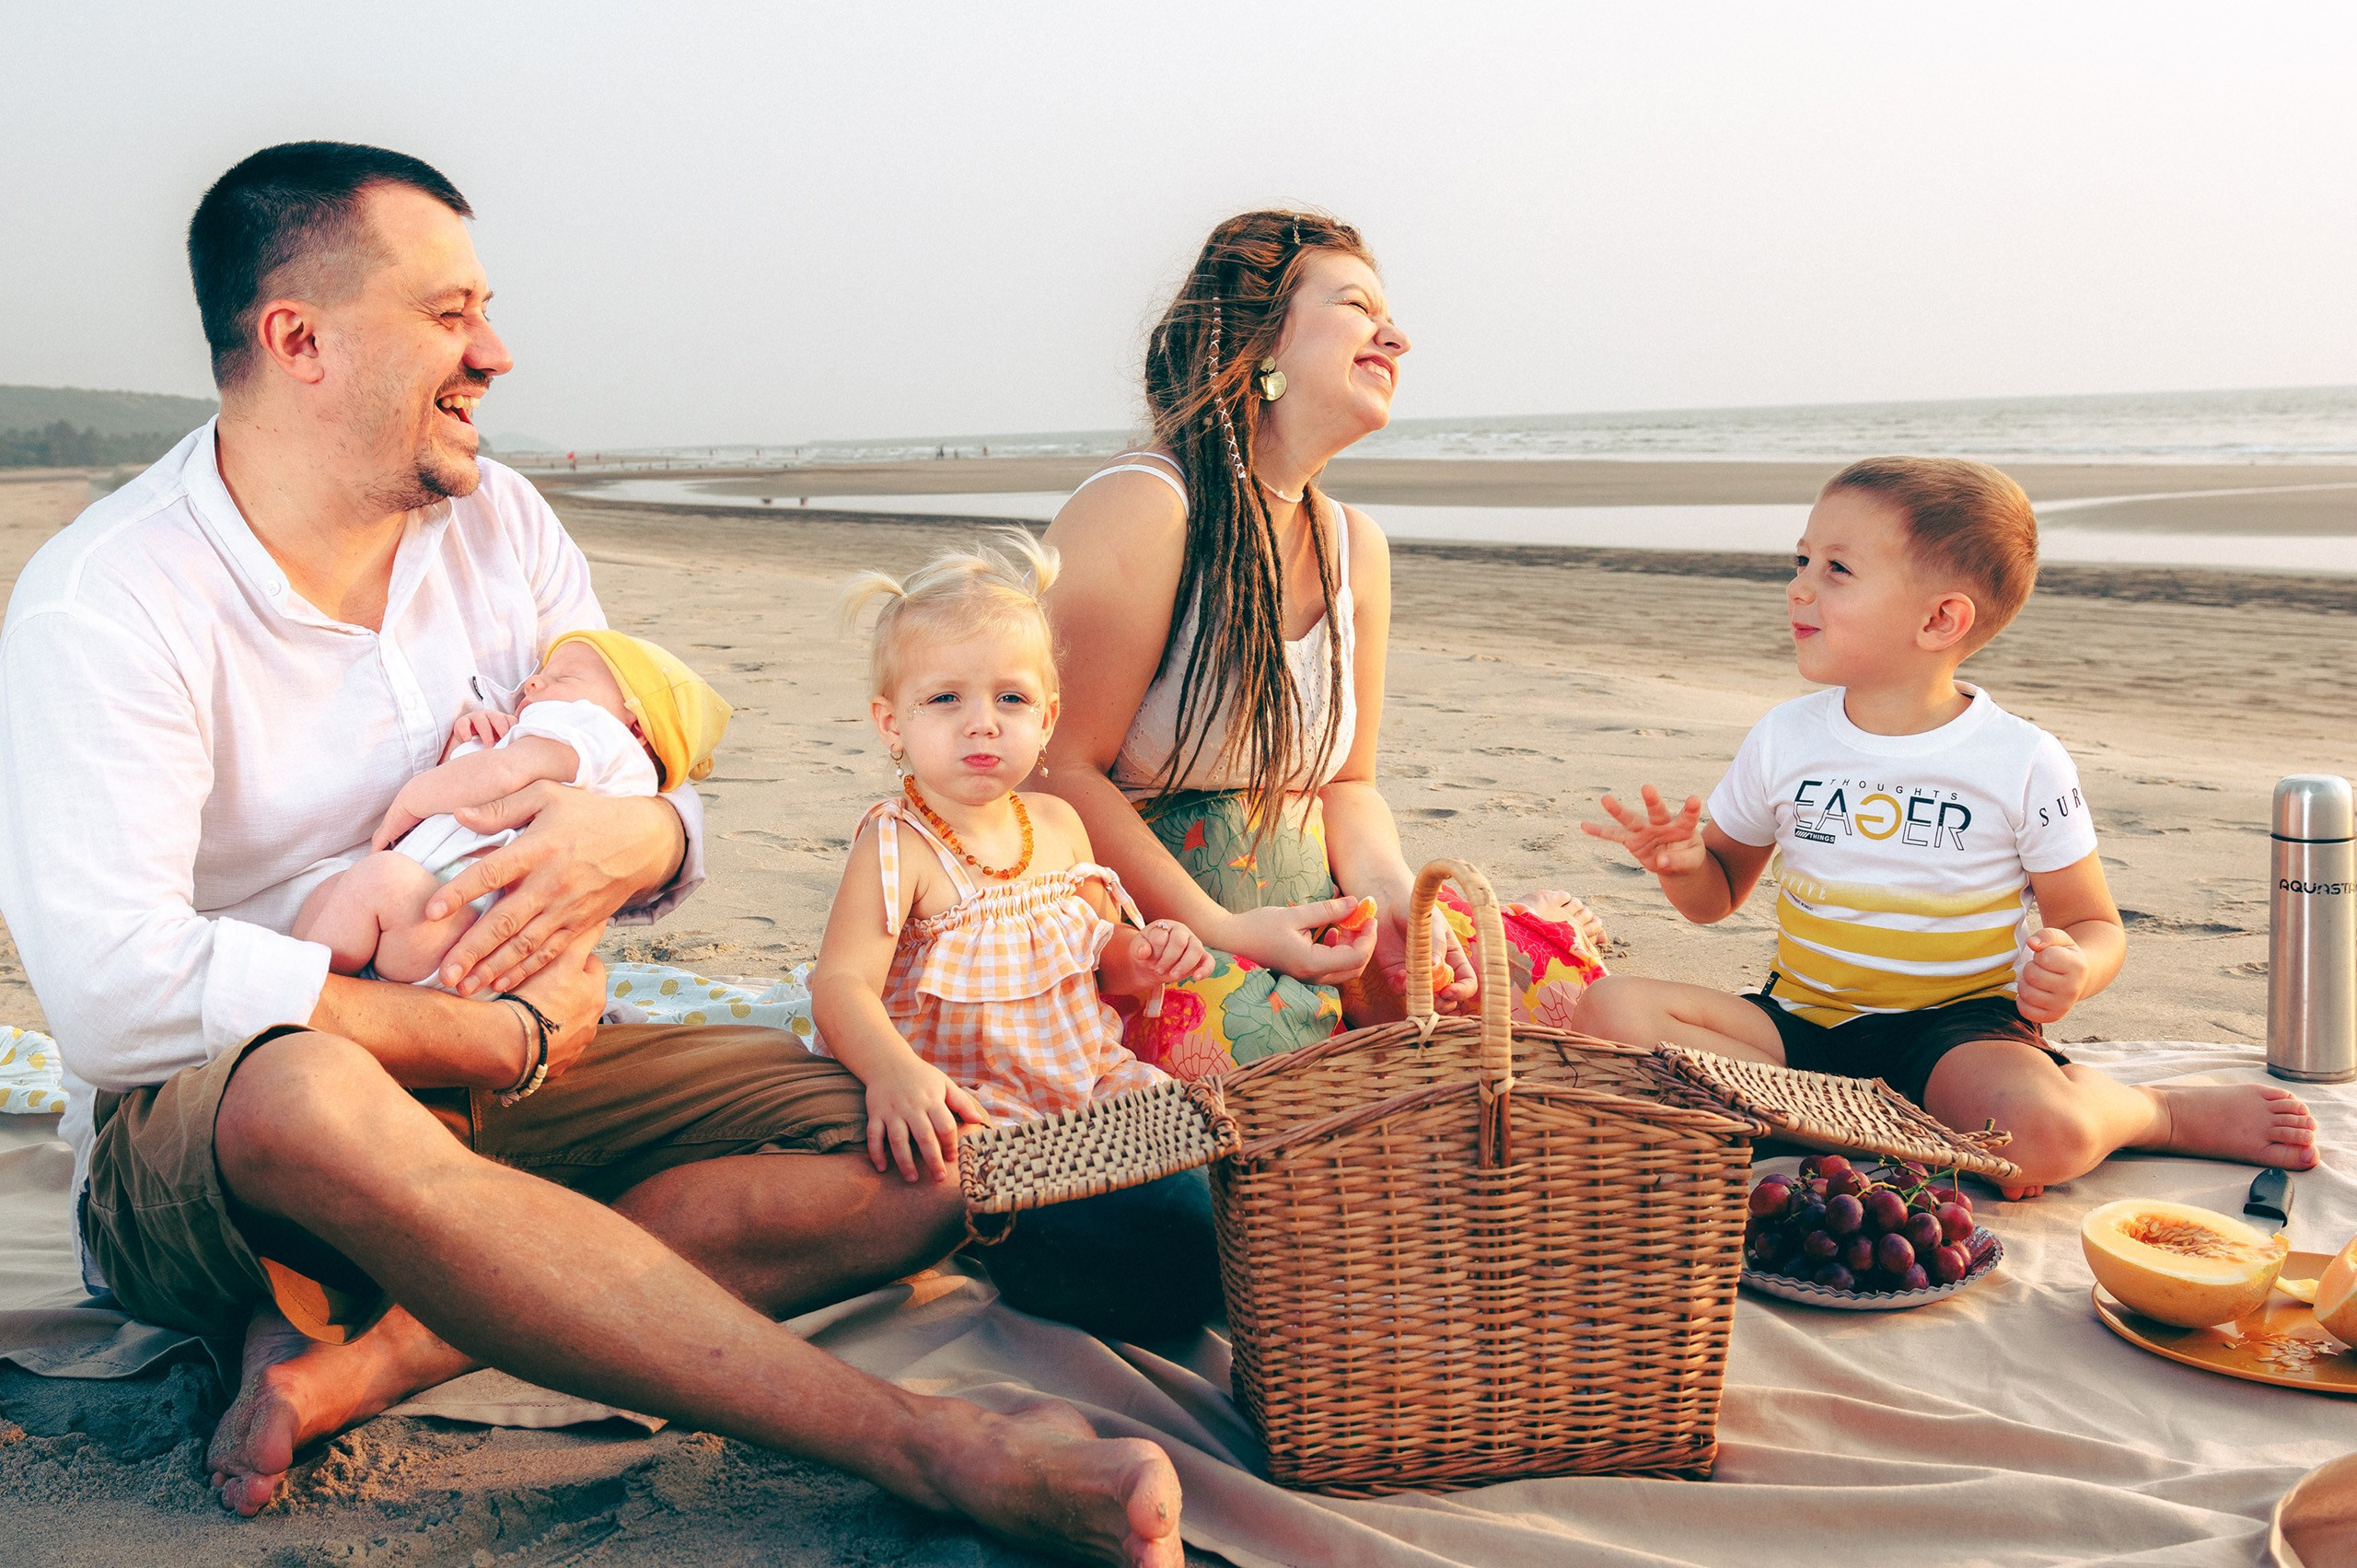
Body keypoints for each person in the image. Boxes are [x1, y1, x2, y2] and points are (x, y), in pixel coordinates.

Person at [0, 142, 1180, 1563]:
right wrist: (488, 1037)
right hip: (225, 1139)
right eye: (449, 313)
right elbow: (111, 990)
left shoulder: (500, 522)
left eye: (486, 309)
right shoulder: (110, 598)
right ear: (298, 339)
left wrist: (645, 832)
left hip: (539, 1053)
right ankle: (928, 1443)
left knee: (928, 1154)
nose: (494, 352)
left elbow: (655, 779)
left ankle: (388, 1345)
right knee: (302, 1089)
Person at [1572, 457, 2318, 1199]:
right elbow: (1717, 896)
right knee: (1609, 1010)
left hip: (1957, 1038)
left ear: (1939, 619)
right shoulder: (1784, 737)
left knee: (2046, 1132)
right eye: (1801, 559)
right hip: (1799, 1027)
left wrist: (2074, 966)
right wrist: (1683, 864)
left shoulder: (2020, 758)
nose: (1798, 586)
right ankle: (1868, 1123)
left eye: (1837, 569)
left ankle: (2156, 1112)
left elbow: (2093, 922)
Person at [1040, 211, 1606, 1079]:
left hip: (1317, 914)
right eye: (1356, 306)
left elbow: (1348, 782)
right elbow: (1055, 770)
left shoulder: (1356, 546)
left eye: (1389, 315)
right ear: (1260, 340)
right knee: (1260, 1054)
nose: (1396, 338)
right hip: (1156, 932)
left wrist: (1391, 897)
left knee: (1552, 996)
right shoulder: (1148, 506)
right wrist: (1223, 928)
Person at [810, 533, 1222, 1340]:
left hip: (1093, 1084)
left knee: (1202, 1180)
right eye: (945, 699)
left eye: (1010, 699)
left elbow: (1099, 960)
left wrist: (1143, 956)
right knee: (1103, 1237)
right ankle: (1053, 1257)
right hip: (982, 1113)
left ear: (1047, 716)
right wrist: (894, 1072)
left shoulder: (1059, 824)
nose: (982, 725)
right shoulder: (898, 843)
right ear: (891, 723)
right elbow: (840, 983)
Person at [295, 630, 730, 983]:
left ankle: (307, 997)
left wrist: (414, 796)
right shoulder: (589, 759)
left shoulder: (599, 733)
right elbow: (478, 790)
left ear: (636, 728)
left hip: (462, 929)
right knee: (333, 892)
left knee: (373, 880)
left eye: (564, 679)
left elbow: (502, 774)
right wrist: (467, 744)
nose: (532, 684)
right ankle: (318, 990)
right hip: (466, 934)